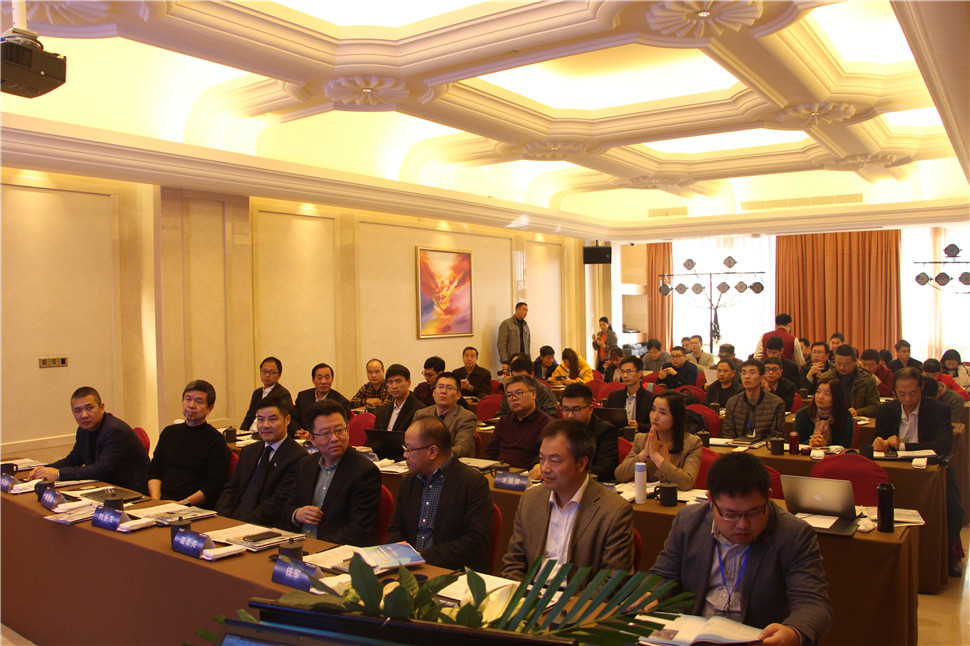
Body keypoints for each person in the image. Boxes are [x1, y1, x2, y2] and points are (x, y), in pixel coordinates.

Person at [650, 452, 833, 646]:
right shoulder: (688, 521)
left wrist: (793, 632)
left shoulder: (793, 534)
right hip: (692, 638)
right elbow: (663, 576)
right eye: (730, 514)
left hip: (757, 640)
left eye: (754, 513)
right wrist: (649, 595)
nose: (742, 525)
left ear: (768, 497)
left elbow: (814, 604)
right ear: (711, 500)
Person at [502, 419, 635, 582]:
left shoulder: (614, 511)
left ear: (581, 463)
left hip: (578, 596)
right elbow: (513, 563)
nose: (545, 468)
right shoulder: (530, 499)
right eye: (542, 459)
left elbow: (611, 581)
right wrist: (520, 594)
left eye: (554, 461)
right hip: (530, 593)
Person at [874, 368, 963, 577]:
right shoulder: (886, 410)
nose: (907, 399)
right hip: (894, 471)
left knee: (954, 510)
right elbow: (878, 438)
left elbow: (943, 445)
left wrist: (903, 446)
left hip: (933, 469)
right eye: (902, 394)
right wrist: (879, 442)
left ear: (921, 388)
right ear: (894, 391)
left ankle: (946, 557)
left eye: (913, 393)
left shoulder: (938, 410)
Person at [387, 416, 492, 571]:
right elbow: (396, 529)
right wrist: (403, 557)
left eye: (409, 449)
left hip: (451, 571)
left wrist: (423, 558)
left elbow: (476, 541)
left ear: (433, 452)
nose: (405, 455)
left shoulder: (472, 483)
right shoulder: (409, 482)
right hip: (408, 569)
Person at [282, 401, 381, 545]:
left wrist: (318, 548)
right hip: (299, 545)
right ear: (312, 439)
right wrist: (297, 514)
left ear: (348, 430)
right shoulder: (305, 464)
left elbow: (357, 530)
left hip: (333, 549)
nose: (334, 439)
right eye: (325, 433)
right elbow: (287, 508)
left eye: (339, 430)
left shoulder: (364, 472)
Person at [30, 386, 150, 494]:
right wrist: (43, 470)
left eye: (89, 408)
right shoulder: (83, 430)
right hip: (106, 489)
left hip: (131, 492)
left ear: (101, 408)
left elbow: (101, 470)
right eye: (78, 410)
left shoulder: (115, 430)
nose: (84, 415)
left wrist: (58, 474)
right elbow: (74, 459)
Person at [215, 397, 307, 526]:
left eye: (272, 419)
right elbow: (231, 488)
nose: (265, 425)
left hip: (263, 525)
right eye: (261, 419)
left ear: (287, 420)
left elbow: (277, 503)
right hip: (231, 521)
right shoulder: (249, 451)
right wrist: (222, 517)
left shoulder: (297, 457)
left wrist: (240, 523)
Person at [148, 380, 231, 507]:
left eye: (198, 401)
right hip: (162, 502)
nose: (191, 405)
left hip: (193, 506)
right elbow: (155, 471)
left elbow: (214, 485)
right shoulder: (169, 433)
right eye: (188, 399)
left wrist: (182, 504)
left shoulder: (215, 440)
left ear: (210, 408)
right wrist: (155, 500)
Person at [529, 383, 617, 483]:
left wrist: (567, 473)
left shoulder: (606, 430)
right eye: (566, 409)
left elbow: (606, 468)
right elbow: (540, 454)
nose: (570, 415)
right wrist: (537, 465)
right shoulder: (559, 428)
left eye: (576, 410)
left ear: (590, 409)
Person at [615, 391, 702, 489]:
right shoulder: (641, 439)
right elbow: (620, 475)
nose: (655, 417)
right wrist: (644, 454)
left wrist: (656, 457)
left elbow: (687, 483)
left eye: (663, 413)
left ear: (676, 417)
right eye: (653, 410)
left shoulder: (692, 443)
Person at [484, 375, 552, 469]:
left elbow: (542, 457)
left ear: (533, 395)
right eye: (509, 395)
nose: (514, 398)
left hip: (527, 474)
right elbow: (490, 452)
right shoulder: (504, 421)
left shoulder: (546, 424)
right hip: (498, 472)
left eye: (519, 393)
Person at [412, 372, 478, 458]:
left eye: (449, 388)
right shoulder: (421, 414)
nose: (443, 391)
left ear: (458, 395)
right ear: (433, 392)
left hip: (452, 463)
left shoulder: (466, 417)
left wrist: (433, 455)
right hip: (422, 462)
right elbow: (412, 441)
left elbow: (462, 448)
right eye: (440, 387)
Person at [722, 360, 785, 441]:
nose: (747, 377)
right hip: (737, 446)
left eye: (752, 373)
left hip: (764, 447)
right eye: (744, 373)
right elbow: (728, 434)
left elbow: (776, 436)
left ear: (762, 378)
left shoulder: (776, 403)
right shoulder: (732, 402)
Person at [813, 345, 879, 418]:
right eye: (838, 363)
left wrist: (858, 412)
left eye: (846, 364)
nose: (842, 367)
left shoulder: (867, 380)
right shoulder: (826, 377)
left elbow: (875, 406)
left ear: (855, 361)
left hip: (856, 420)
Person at [292, 363, 352, 438]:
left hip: (328, 440)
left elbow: (341, 428)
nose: (323, 381)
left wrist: (313, 435)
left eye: (327, 378)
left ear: (332, 379)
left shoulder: (341, 402)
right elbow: (294, 419)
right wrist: (298, 431)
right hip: (302, 440)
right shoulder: (303, 396)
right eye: (319, 378)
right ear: (313, 380)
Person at [793, 377, 853, 448]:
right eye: (818, 392)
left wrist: (825, 444)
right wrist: (812, 442)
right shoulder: (803, 414)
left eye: (827, 394)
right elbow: (796, 444)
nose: (820, 397)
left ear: (837, 397)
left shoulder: (845, 418)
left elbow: (845, 448)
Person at [241, 357, 293, 432]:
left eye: (272, 372)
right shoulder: (257, 392)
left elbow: (282, 421)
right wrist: (241, 432)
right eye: (264, 371)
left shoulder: (283, 393)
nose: (267, 375)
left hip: (267, 432)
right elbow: (249, 417)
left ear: (279, 375)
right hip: (250, 433)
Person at [606, 355, 655, 431]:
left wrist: (639, 426)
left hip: (641, 436)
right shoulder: (614, 396)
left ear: (639, 373)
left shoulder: (651, 398)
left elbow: (655, 427)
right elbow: (608, 422)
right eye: (622, 372)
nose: (625, 375)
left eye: (629, 371)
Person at [373, 364, 420, 433]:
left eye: (398, 381)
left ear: (409, 382)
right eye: (390, 382)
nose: (394, 386)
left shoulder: (419, 411)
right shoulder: (382, 410)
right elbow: (375, 436)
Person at [497, 302, 531, 371]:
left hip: (524, 361)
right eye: (524, 310)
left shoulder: (525, 326)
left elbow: (528, 345)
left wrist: (529, 360)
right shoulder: (506, 324)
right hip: (511, 361)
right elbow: (501, 344)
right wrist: (504, 361)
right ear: (517, 310)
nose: (526, 312)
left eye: (527, 310)